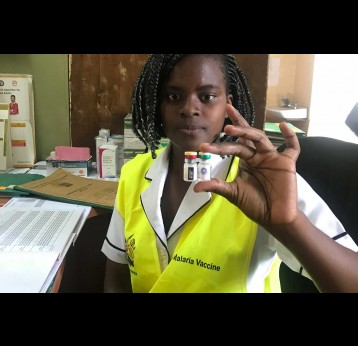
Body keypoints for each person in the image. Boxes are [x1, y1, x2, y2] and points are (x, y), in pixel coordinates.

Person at [101, 54, 358, 293]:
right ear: (158, 106)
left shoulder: (263, 181)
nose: (189, 109)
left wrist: (290, 223)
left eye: (207, 96)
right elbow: (117, 274)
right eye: (173, 96)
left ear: (227, 106)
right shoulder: (134, 173)